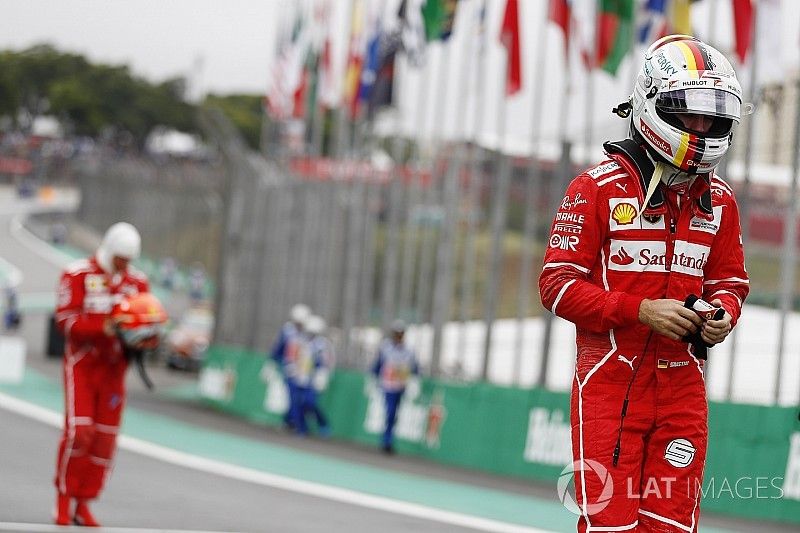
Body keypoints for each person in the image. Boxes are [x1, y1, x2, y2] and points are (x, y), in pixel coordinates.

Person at [539, 35, 749, 532]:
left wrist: (720, 316)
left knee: (673, 528)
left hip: (683, 389)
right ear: (652, 106)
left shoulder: (721, 201)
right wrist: (640, 310)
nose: (701, 128)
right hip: (609, 384)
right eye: (689, 114)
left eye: (712, 117)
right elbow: (556, 285)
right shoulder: (594, 188)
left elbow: (731, 282)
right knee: (611, 529)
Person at [52, 222, 150, 526]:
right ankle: (64, 500)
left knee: (104, 440)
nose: (124, 264)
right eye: (120, 257)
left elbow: (146, 319)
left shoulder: (137, 282)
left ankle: (84, 503)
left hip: (114, 371)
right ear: (109, 249)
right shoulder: (77, 273)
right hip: (83, 365)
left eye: (128, 259)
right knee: (80, 433)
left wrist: (148, 336)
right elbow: (65, 320)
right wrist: (102, 327)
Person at [371, 320, 419, 455]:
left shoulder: (409, 350)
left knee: (395, 413)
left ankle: (389, 439)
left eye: (401, 334)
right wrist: (373, 378)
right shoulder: (385, 347)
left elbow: (415, 367)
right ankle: (387, 440)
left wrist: (415, 382)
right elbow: (378, 364)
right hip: (388, 385)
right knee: (390, 411)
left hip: (401, 385)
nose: (398, 336)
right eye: (396, 334)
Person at [269, 304, 311, 430]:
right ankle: (291, 422)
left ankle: (295, 422)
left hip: (304, 371)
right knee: (291, 396)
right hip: (289, 368)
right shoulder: (288, 330)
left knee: (302, 399)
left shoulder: (307, 333)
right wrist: (272, 361)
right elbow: (279, 347)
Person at [292, 315, 333, 437]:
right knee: (297, 403)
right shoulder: (301, 340)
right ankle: (301, 429)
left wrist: (323, 376)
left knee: (310, 403)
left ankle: (323, 423)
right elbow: (296, 356)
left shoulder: (322, 345)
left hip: (312, 379)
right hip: (300, 376)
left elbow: (326, 362)